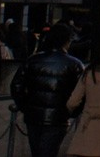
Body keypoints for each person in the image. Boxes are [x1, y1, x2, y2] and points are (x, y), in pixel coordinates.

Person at [12, 27, 84, 157]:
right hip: (58, 116)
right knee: (49, 150)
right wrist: (72, 111)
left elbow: (17, 86)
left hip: (34, 115)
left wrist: (25, 106)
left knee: (37, 150)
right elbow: (82, 92)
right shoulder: (74, 64)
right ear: (67, 42)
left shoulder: (32, 60)